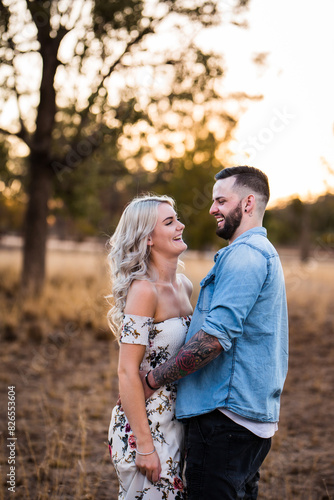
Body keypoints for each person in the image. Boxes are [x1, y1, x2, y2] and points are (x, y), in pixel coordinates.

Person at [143, 166, 289, 499]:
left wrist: (152, 379)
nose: (212, 209)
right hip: (242, 423)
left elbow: (212, 341)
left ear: (248, 203)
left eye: (221, 200)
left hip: (225, 423)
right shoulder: (259, 253)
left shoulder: (245, 258)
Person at [107, 194, 193, 499]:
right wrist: (144, 447)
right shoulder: (143, 291)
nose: (180, 225)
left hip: (177, 419)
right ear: (148, 239)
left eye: (177, 218)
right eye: (169, 222)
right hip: (146, 425)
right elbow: (126, 371)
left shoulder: (184, 286)